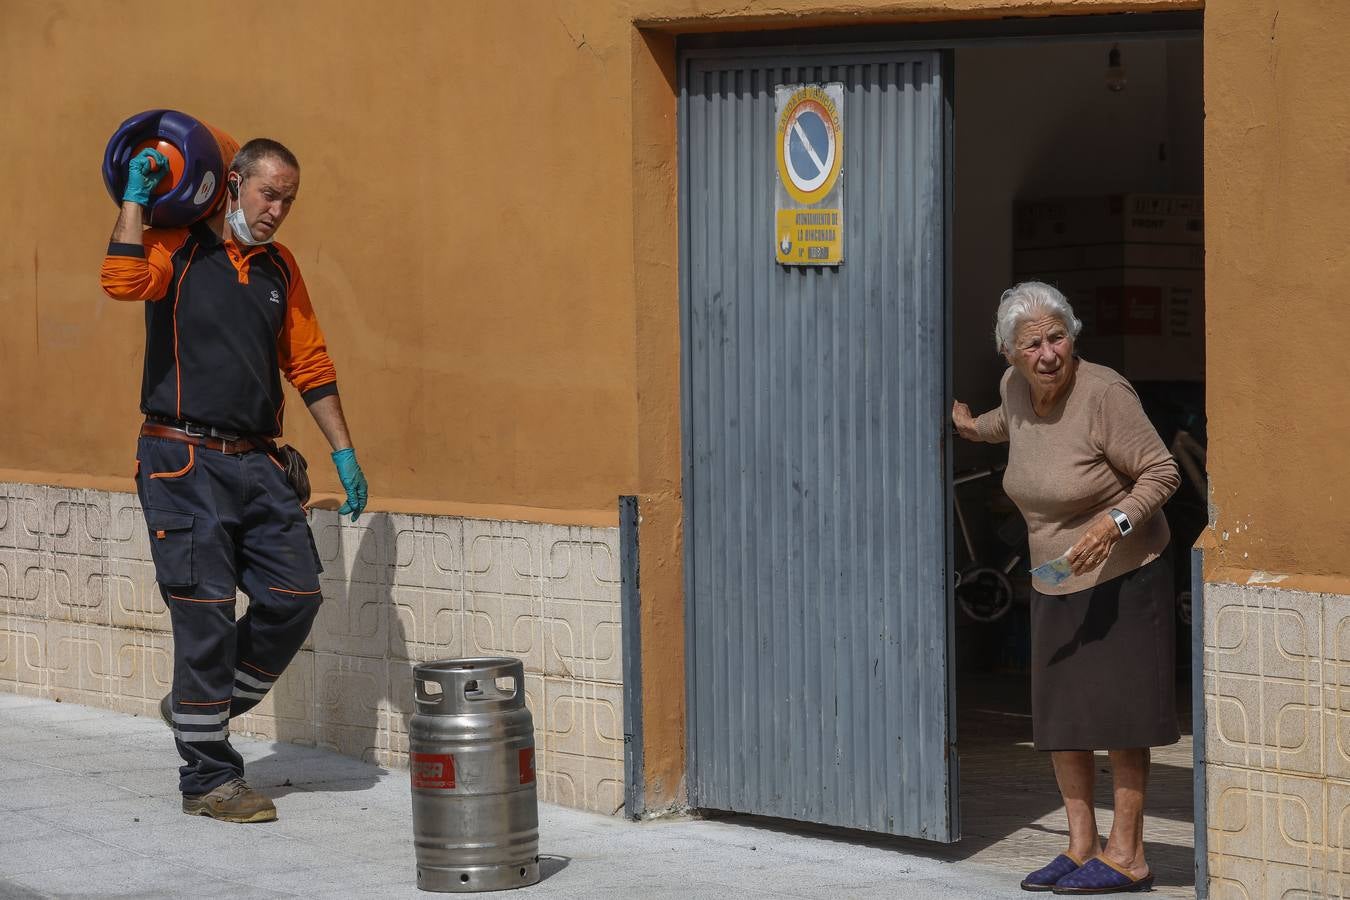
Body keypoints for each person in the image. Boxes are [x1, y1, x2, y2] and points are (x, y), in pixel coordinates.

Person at [100, 139, 369, 823]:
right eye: (267, 193)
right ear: (233, 185)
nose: (276, 210)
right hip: (182, 461)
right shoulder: (179, 248)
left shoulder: (281, 268)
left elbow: (308, 362)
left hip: (258, 463)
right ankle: (209, 779)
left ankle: (204, 708)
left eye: (288, 199)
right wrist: (137, 193)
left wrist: (344, 452)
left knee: (295, 598)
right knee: (206, 615)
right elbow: (121, 281)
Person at [952, 282, 1180, 895]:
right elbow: (1014, 425)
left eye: (1058, 337)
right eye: (1033, 344)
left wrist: (1115, 523)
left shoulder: (1105, 394)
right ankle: (1081, 847)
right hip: (1054, 579)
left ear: (1073, 338)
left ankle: (1128, 854)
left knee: (1120, 717)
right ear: (1010, 354)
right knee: (1063, 718)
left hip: (1125, 573)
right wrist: (974, 429)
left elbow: (1163, 471)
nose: (1048, 353)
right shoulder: (1014, 391)